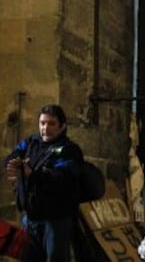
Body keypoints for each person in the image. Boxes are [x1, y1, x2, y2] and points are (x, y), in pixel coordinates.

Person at [4, 104, 84, 262]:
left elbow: (61, 178)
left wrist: (32, 174)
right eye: (42, 123)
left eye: (51, 123)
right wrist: (14, 164)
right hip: (31, 218)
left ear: (62, 126)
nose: (45, 128)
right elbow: (14, 154)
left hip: (55, 221)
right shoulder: (32, 142)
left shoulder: (69, 150)